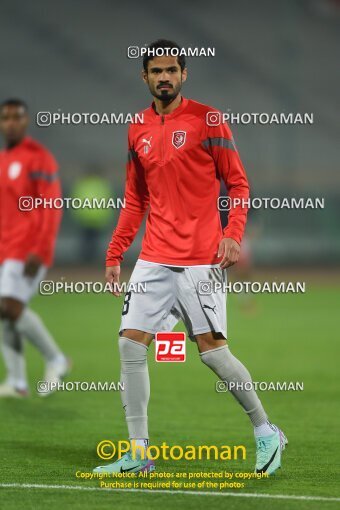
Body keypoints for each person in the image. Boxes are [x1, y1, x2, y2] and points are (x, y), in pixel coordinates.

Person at [94, 40, 287, 475]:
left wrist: (233, 235)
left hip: (201, 259)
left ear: (184, 75)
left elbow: (237, 184)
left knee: (213, 353)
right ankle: (140, 452)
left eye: (172, 70)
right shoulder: (136, 128)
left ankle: (265, 431)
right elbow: (134, 197)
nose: (164, 77)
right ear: (143, 77)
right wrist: (116, 251)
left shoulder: (208, 120)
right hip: (154, 257)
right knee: (129, 345)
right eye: (156, 71)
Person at [0, 99, 69, 397]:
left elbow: (52, 205)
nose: (11, 122)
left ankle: (57, 359)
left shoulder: (39, 158)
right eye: (6, 118)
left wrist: (39, 249)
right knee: (5, 311)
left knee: (10, 306)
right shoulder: (3, 159)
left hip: (27, 248)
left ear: (26, 122)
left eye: (17, 117)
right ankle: (17, 382)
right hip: (5, 249)